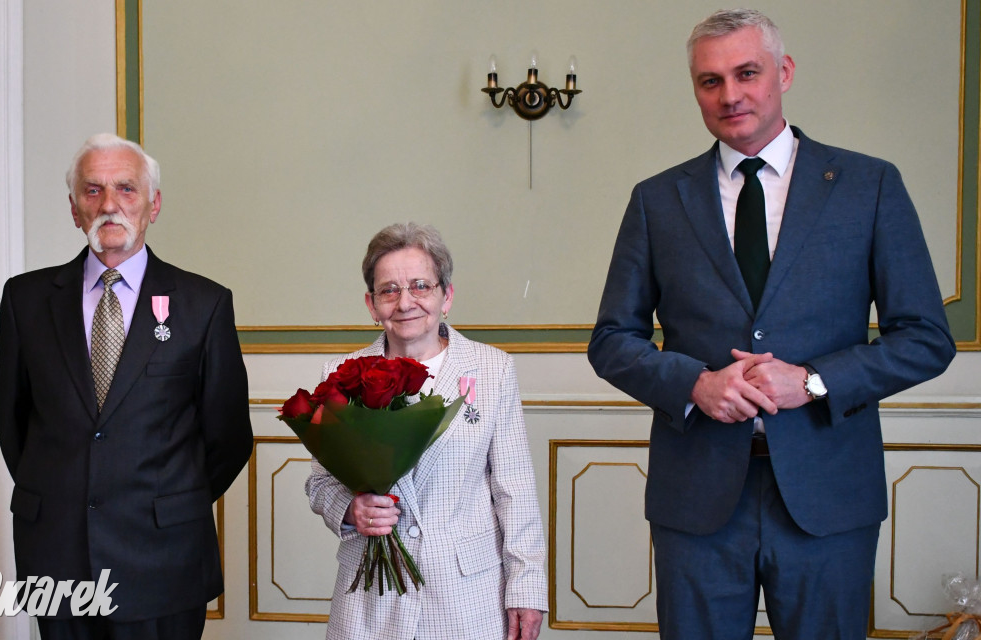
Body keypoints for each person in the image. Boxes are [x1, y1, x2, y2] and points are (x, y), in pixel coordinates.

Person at [588, 9, 956, 640]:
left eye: (747, 73)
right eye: (710, 81)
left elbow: (926, 338)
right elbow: (612, 341)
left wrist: (811, 382)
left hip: (828, 496)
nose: (729, 95)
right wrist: (695, 384)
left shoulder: (869, 185)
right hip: (697, 498)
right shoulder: (657, 199)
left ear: (783, 73)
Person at [0, 133, 253, 639]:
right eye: (92, 190)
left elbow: (227, 436)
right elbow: (14, 423)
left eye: (126, 189)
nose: (109, 204)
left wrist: (167, 500)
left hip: (163, 557)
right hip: (58, 554)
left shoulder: (204, 304)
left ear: (153, 204)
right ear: (74, 208)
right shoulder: (26, 299)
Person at [306, 222, 547, 640]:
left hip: (466, 598)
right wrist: (350, 509)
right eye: (389, 290)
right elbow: (320, 483)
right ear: (371, 304)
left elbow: (516, 489)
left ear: (446, 295)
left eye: (420, 286)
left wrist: (526, 587)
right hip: (371, 597)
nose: (405, 302)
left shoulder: (492, 370)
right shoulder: (340, 374)